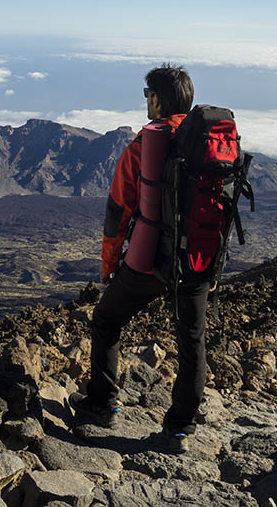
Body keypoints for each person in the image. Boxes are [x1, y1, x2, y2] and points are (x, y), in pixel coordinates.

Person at [70, 63, 205, 454]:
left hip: (149, 259)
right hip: (196, 261)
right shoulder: (207, 143)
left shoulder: (145, 144)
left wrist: (110, 264)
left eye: (148, 94)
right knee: (192, 340)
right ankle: (180, 429)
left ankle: (102, 405)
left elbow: (118, 209)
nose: (146, 101)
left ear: (158, 99)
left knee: (107, 319)